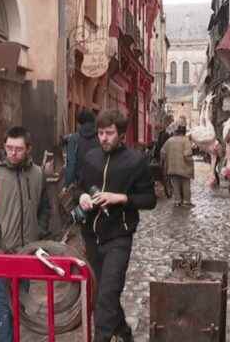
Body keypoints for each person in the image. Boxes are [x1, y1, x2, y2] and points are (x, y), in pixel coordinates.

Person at [76, 110, 156, 342]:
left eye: (109, 133)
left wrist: (121, 198)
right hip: (91, 236)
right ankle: (123, 332)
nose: (103, 138)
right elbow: (80, 187)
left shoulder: (135, 161)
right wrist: (81, 197)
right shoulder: (90, 157)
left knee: (107, 295)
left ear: (121, 134)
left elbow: (150, 200)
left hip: (119, 236)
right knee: (103, 294)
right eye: (100, 133)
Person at [0, 126, 52, 342]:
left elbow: (45, 208)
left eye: (18, 149)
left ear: (29, 149)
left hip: (27, 252)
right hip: (2, 252)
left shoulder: (38, 174)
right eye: (9, 148)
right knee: (4, 304)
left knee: (20, 303)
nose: (12, 153)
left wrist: (39, 231)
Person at [160, 125, 195, 207]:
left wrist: (166, 162)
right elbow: (187, 155)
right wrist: (191, 164)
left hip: (172, 168)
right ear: (184, 132)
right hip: (184, 168)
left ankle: (177, 201)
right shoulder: (185, 140)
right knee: (185, 185)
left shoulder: (169, 140)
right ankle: (186, 201)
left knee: (175, 185)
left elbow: (162, 152)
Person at [64, 109, 100, 188]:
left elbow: (71, 164)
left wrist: (66, 185)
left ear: (79, 124)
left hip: (80, 186)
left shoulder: (74, 139)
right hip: (98, 185)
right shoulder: (100, 138)